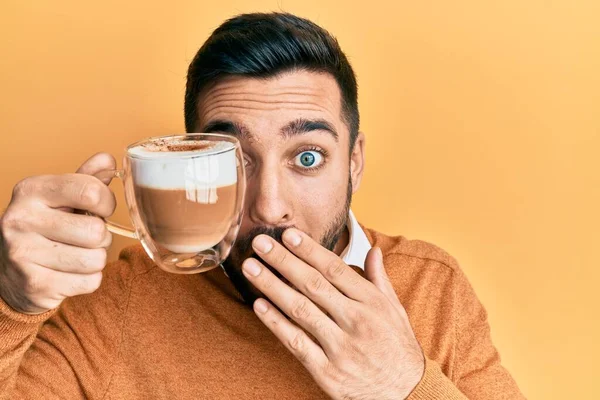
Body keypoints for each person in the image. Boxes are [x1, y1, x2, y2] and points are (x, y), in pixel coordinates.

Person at [0, 12, 524, 400]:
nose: (270, 207)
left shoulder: (434, 290)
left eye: (309, 156)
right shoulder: (119, 305)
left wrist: (403, 383)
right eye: (235, 160)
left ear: (355, 162)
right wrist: (9, 304)